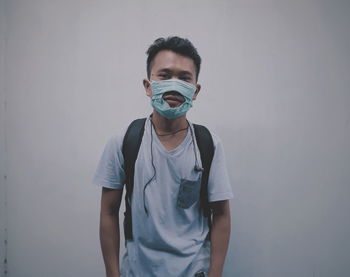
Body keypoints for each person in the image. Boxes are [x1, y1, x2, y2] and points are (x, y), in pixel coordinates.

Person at [92, 36, 233, 277]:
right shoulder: (124, 140)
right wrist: (112, 273)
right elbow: (108, 211)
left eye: (184, 78)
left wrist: (215, 274)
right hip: (136, 271)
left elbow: (221, 214)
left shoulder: (208, 144)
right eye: (165, 75)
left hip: (194, 271)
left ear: (195, 90)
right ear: (148, 86)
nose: (174, 85)